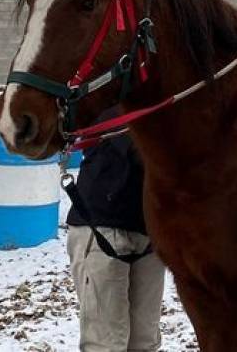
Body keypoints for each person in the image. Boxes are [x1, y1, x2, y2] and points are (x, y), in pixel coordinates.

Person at [66, 108, 165, 352]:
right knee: (106, 343)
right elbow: (141, 149)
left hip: (150, 232)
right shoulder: (109, 97)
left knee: (145, 342)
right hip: (101, 230)